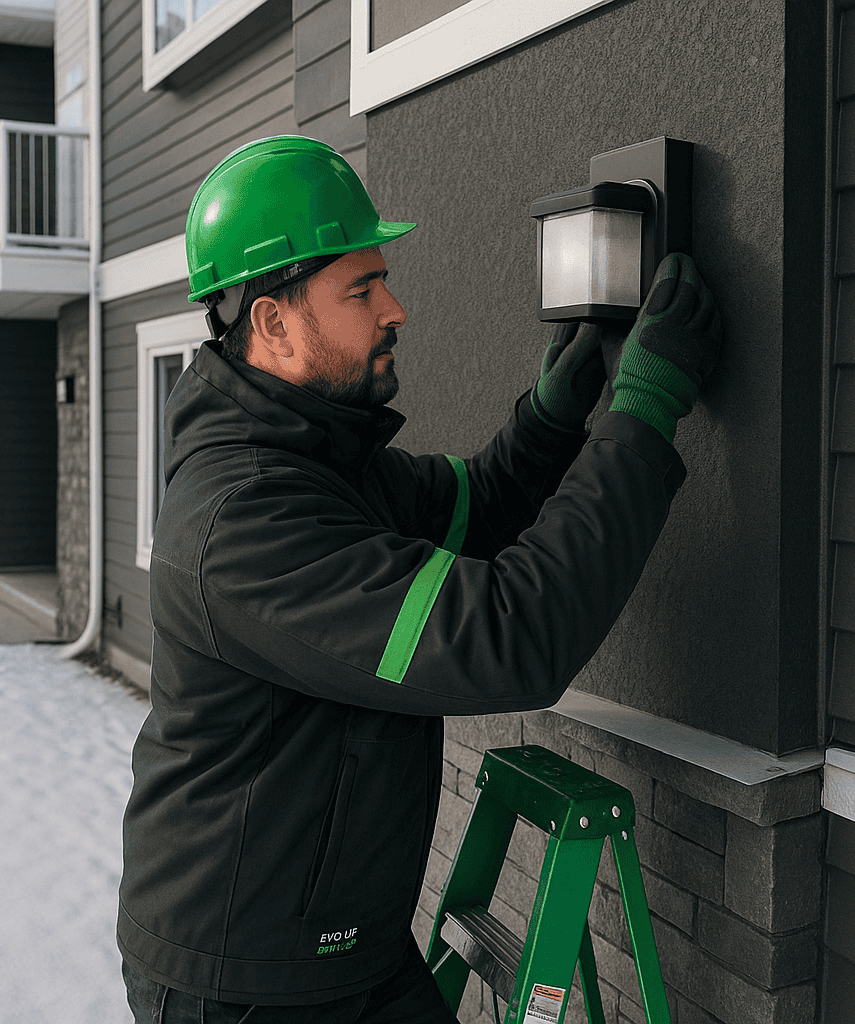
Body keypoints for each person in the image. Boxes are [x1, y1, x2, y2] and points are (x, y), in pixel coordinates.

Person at [118, 136, 722, 1023]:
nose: (394, 308)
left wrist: (555, 414)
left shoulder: (320, 457)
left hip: (336, 948)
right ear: (273, 323)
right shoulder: (245, 518)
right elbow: (509, 636)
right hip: (247, 981)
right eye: (361, 290)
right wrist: (643, 411)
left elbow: (474, 506)